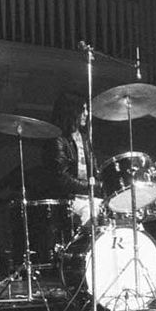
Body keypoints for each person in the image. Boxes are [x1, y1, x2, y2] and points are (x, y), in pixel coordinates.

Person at [42, 91, 99, 227]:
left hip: (87, 196)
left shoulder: (85, 139)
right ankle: (89, 246)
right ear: (72, 111)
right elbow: (62, 179)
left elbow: (95, 171)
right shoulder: (58, 140)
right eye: (83, 110)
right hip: (68, 199)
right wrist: (91, 186)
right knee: (91, 211)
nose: (86, 114)